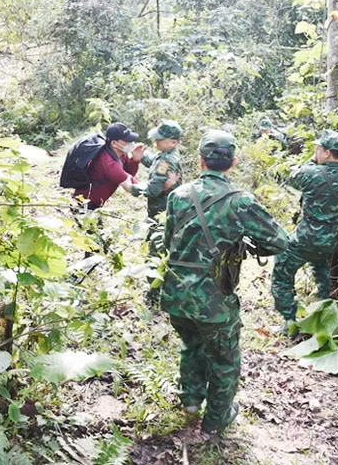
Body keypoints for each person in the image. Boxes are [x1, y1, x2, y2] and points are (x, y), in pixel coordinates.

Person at [162, 130, 288, 435]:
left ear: (201, 160)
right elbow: (279, 241)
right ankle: (216, 419)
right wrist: (244, 243)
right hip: (214, 299)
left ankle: (191, 400)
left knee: (191, 344)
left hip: (176, 293)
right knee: (224, 358)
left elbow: (168, 242)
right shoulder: (240, 201)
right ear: (232, 163)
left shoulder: (178, 195)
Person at [270, 129, 338, 329]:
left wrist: (311, 160)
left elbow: (292, 178)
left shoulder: (310, 174)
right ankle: (325, 308)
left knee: (282, 269)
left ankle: (289, 321)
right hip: (332, 241)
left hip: (305, 239)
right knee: (321, 267)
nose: (315, 151)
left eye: (318, 148)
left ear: (326, 153)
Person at [132, 120, 183, 253]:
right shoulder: (166, 155)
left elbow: (154, 189)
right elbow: (155, 163)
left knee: (157, 249)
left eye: (160, 138)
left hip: (162, 212)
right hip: (160, 211)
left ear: (173, 142)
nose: (156, 140)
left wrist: (131, 187)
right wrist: (143, 156)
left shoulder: (167, 161)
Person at [73, 122, 146, 210]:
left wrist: (135, 160)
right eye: (127, 141)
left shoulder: (121, 154)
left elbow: (128, 173)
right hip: (84, 205)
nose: (130, 143)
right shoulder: (108, 162)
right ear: (114, 143)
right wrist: (154, 188)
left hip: (95, 205)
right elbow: (129, 186)